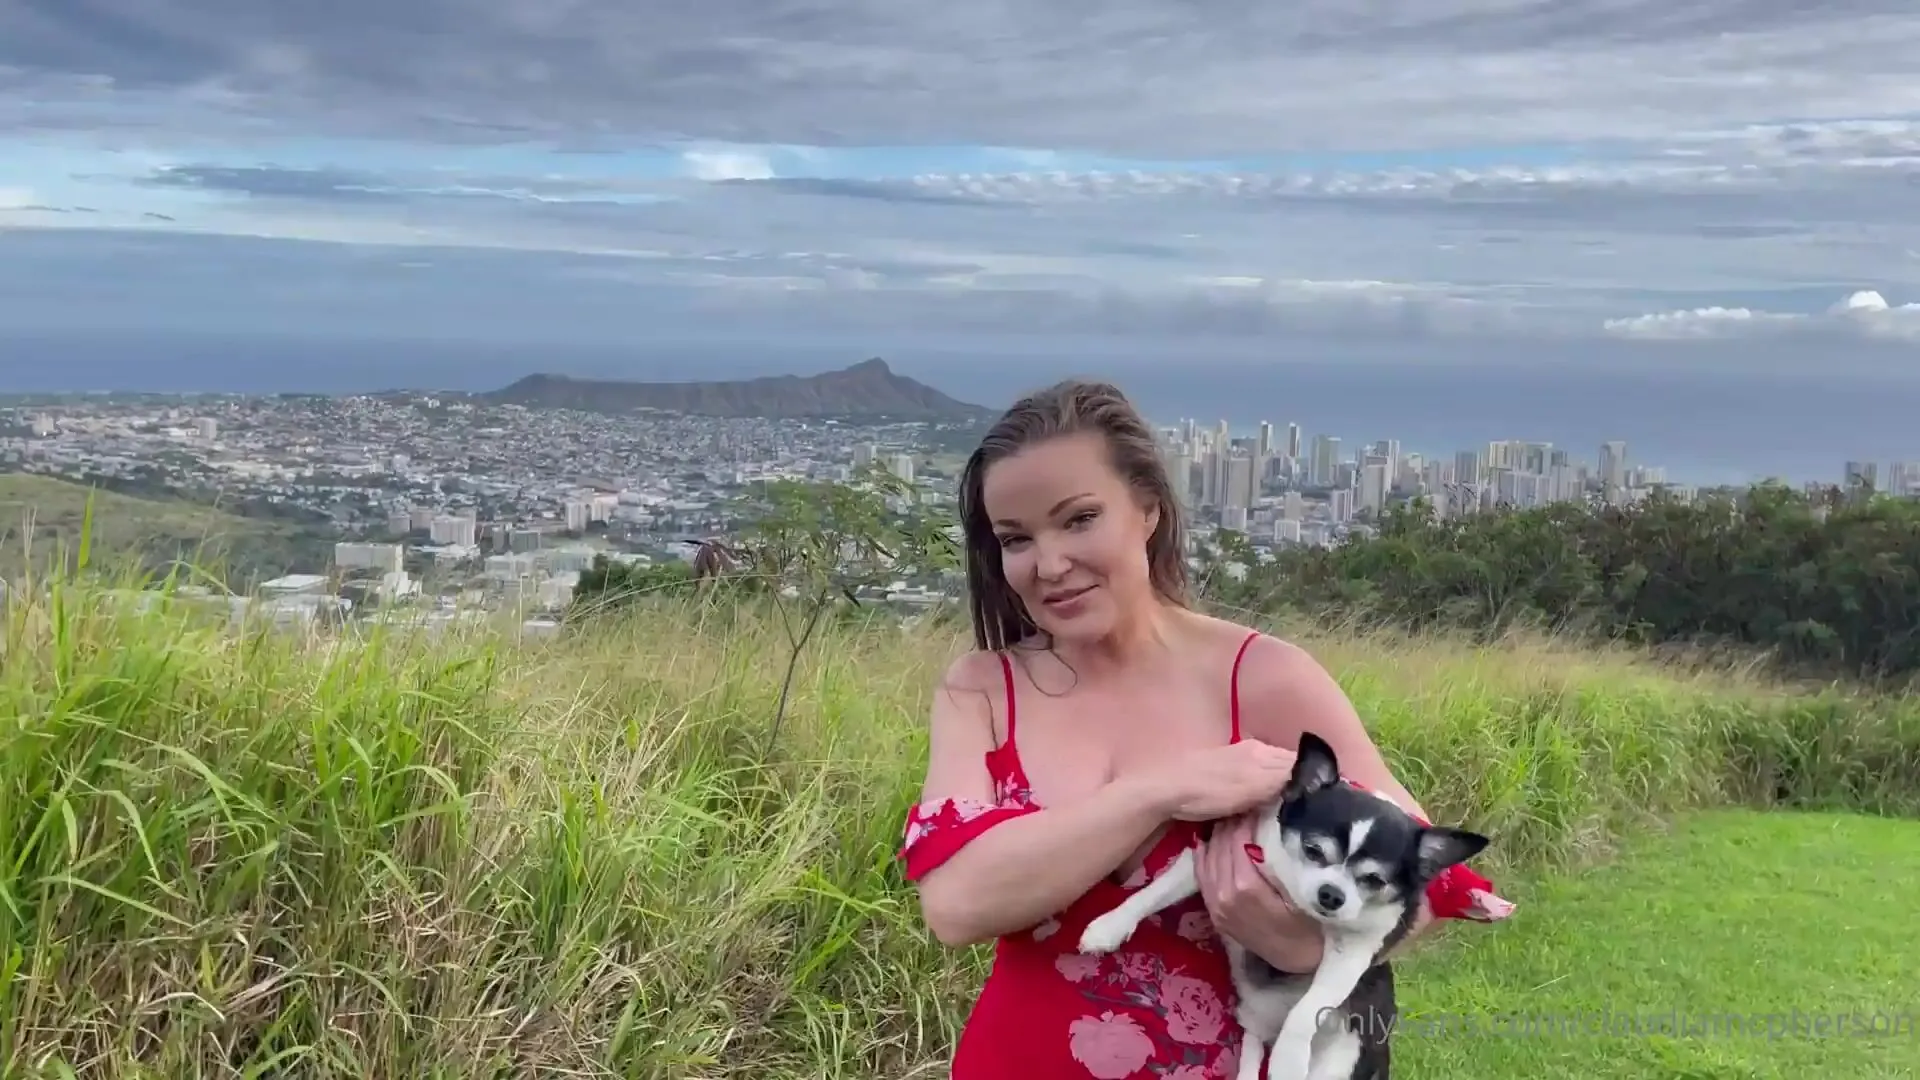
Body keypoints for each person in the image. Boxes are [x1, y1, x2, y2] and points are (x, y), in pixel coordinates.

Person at [898, 378, 1513, 1079]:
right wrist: (1159, 791)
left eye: (1078, 520)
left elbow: (1423, 879)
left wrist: (1302, 948)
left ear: (1148, 509)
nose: (1049, 565)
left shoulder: (1264, 678)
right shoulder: (980, 689)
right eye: (1016, 539)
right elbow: (956, 905)